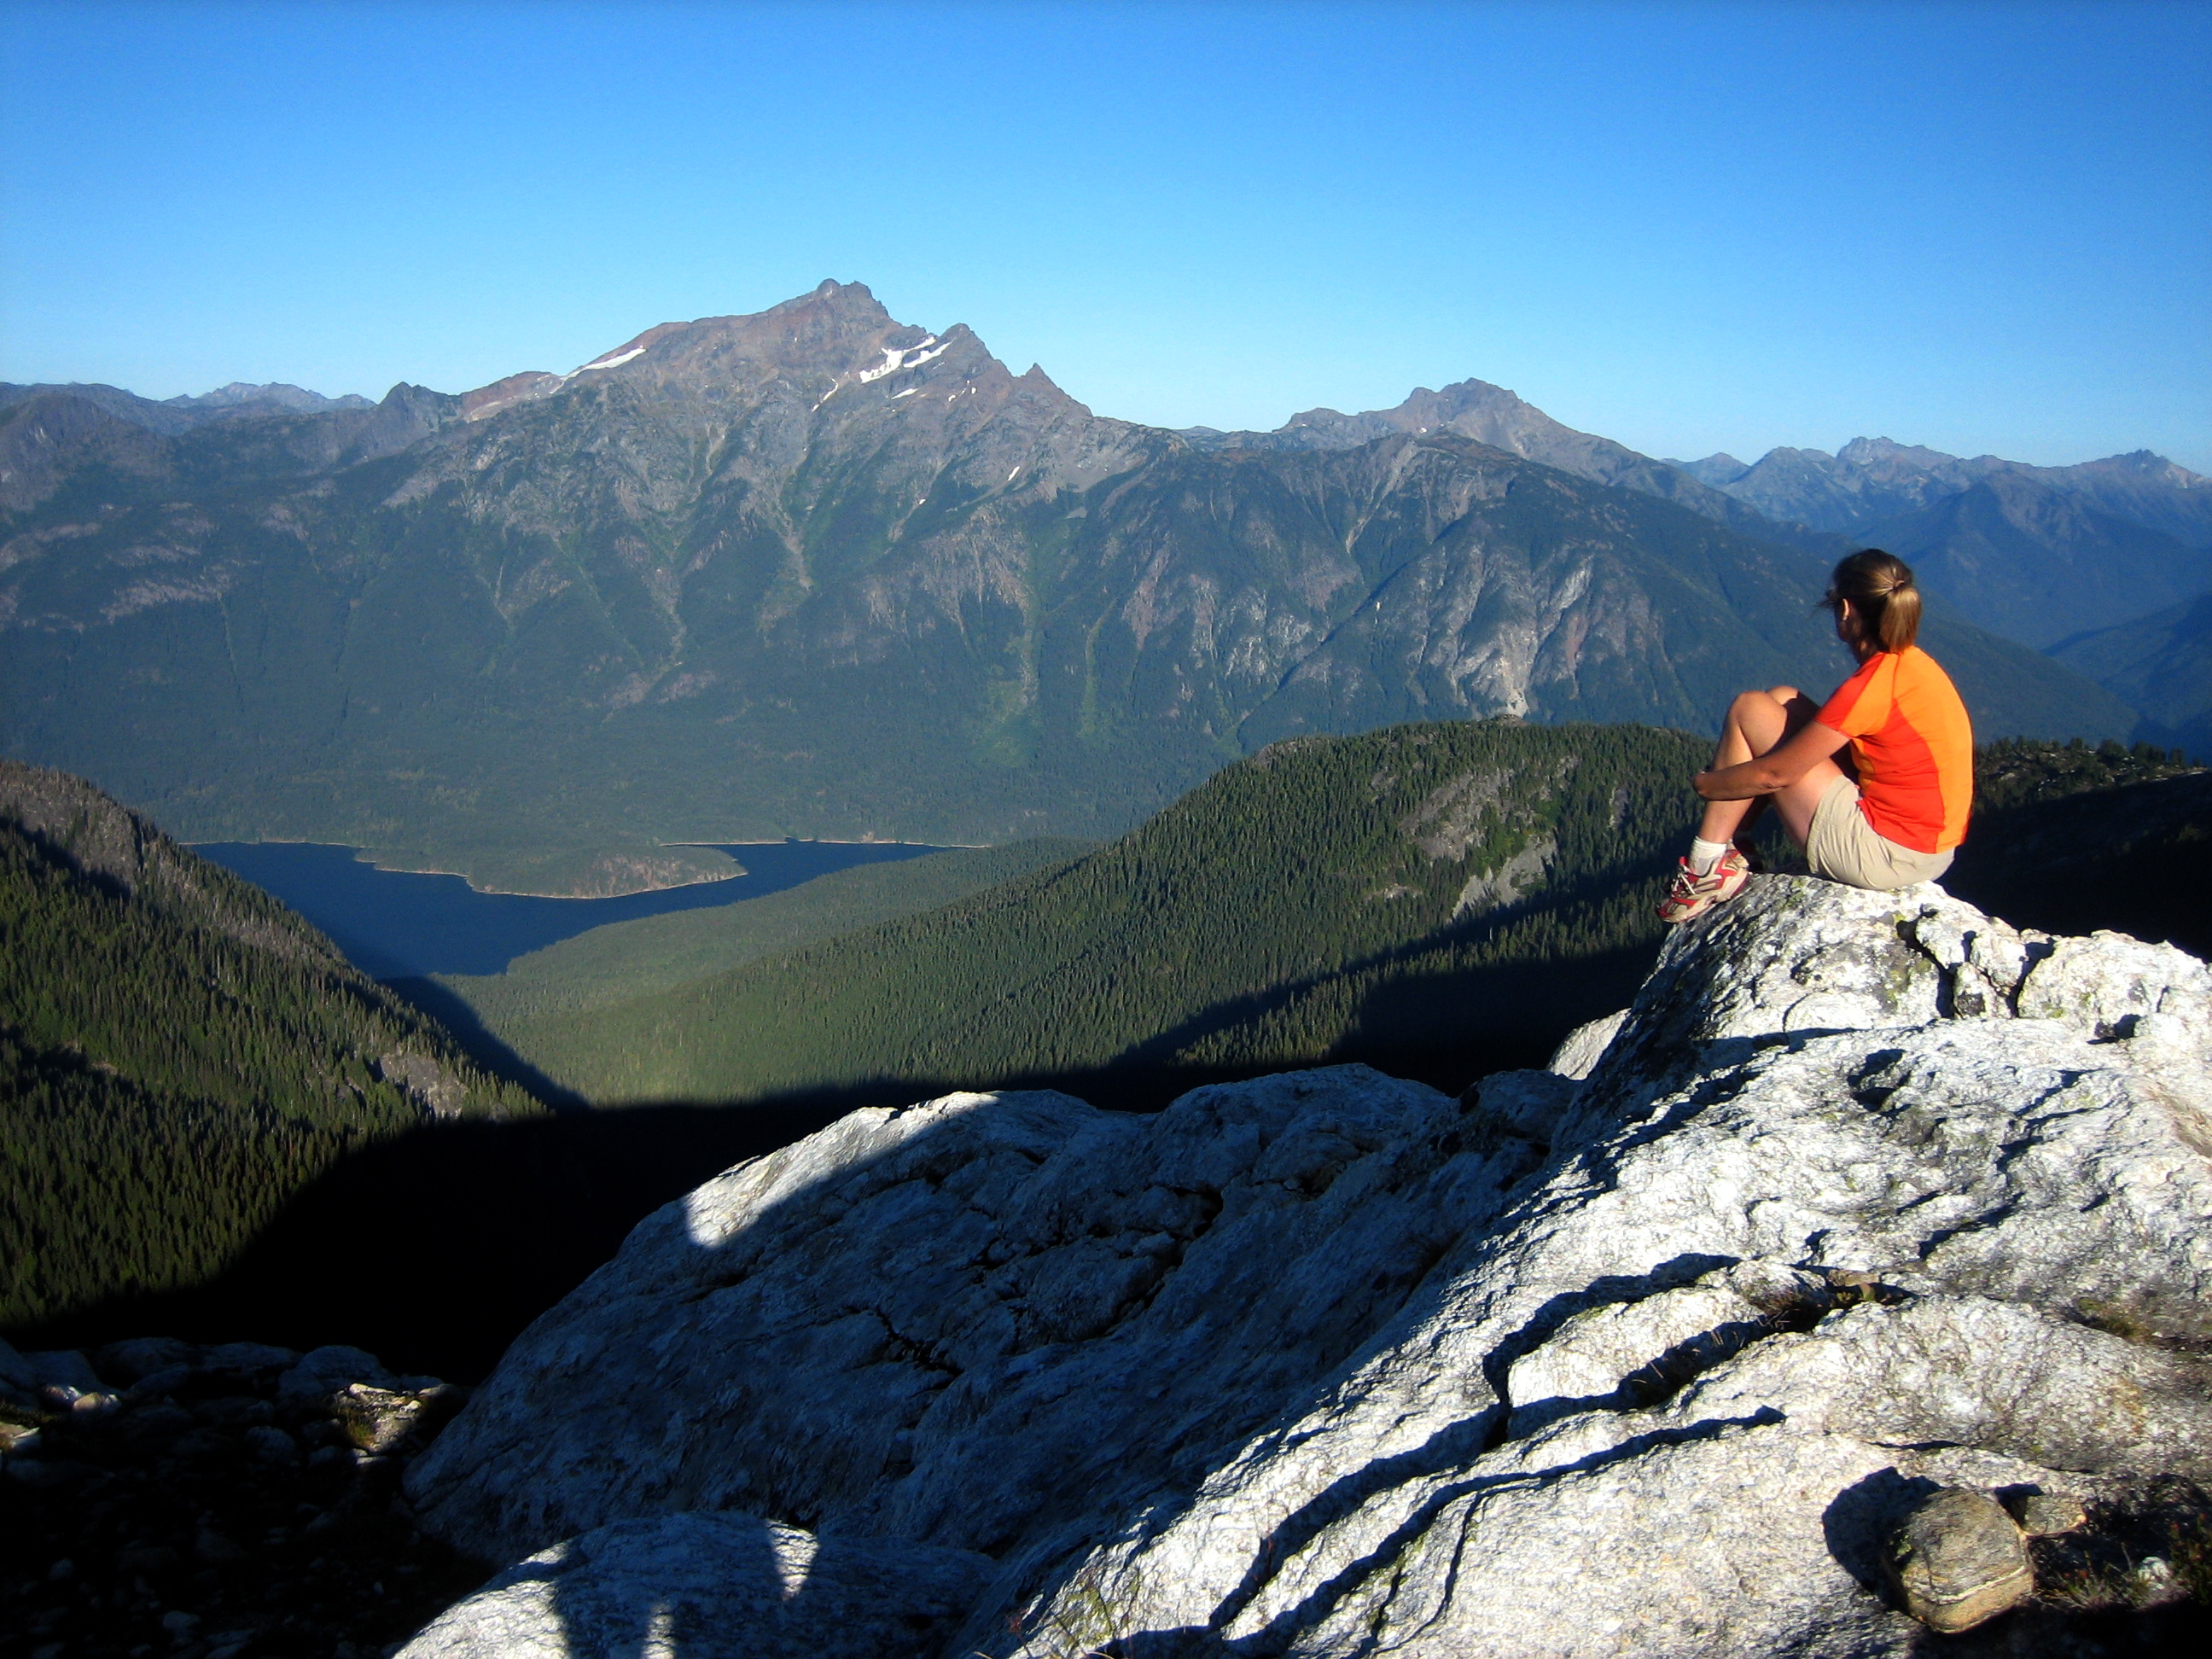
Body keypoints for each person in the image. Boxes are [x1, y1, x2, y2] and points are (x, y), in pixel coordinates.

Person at [1658, 549, 1973, 923]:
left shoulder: (1869, 688)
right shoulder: (1913, 665)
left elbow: (1776, 775)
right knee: (1781, 699)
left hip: (1887, 855)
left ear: (1845, 610)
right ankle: (1733, 843)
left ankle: (1704, 868)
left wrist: (1708, 784)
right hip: (1929, 847)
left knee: (1748, 709)